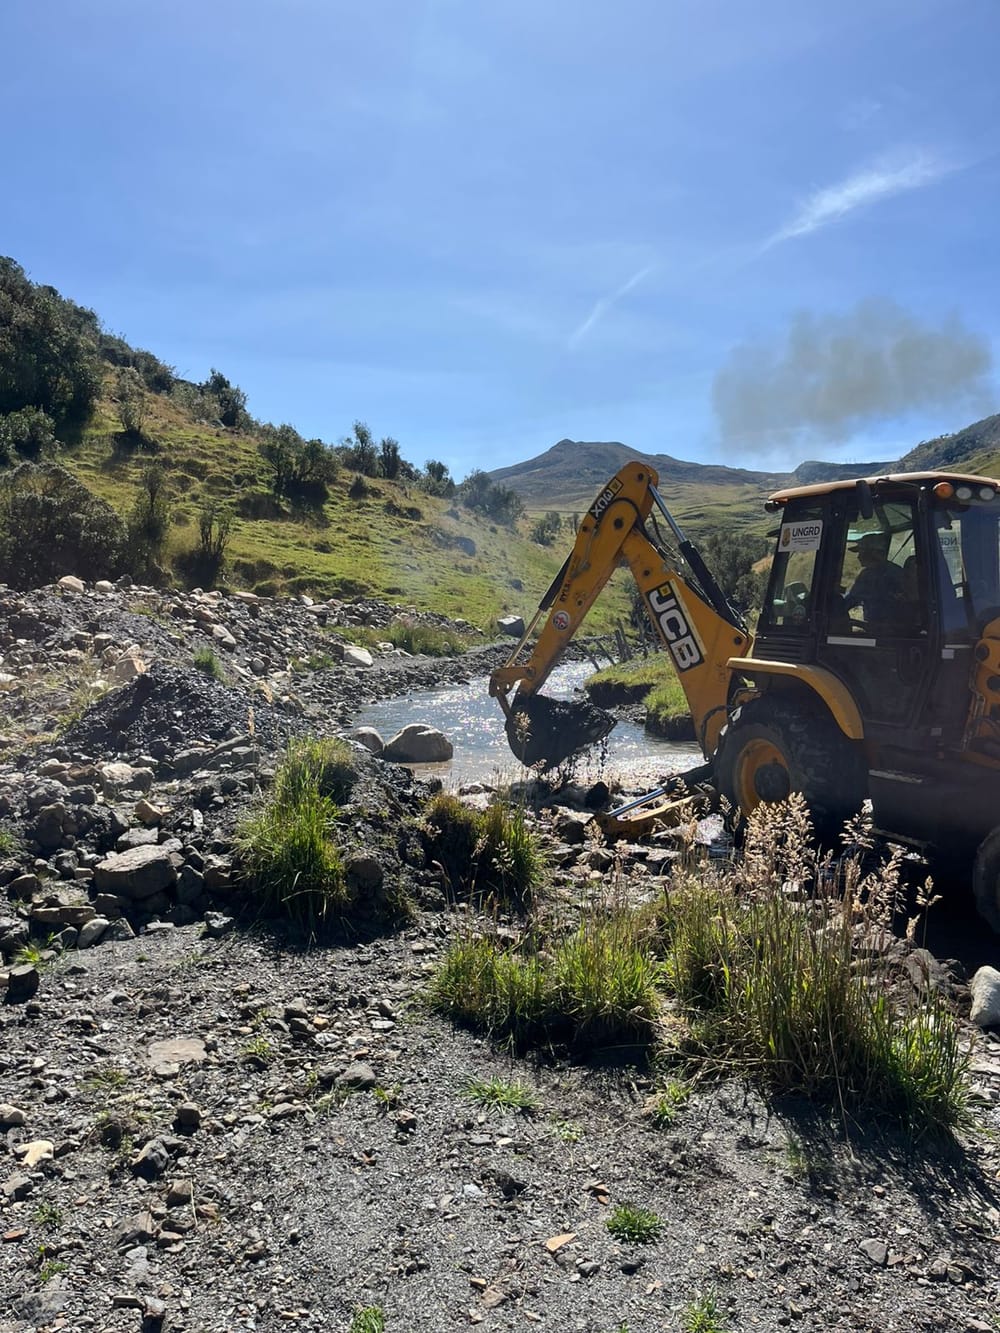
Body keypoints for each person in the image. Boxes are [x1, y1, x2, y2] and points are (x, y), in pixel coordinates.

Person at [843, 533, 904, 629]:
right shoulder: (894, 571)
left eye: (862, 552)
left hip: (889, 631)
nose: (858, 557)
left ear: (873, 553)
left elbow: (852, 600)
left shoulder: (872, 576)